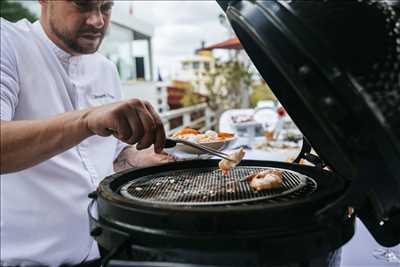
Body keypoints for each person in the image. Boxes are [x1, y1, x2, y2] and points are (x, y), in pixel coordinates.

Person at [0, 0, 175, 266]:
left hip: (104, 253)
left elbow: (115, 158)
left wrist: (151, 159)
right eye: (82, 5)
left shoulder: (105, 68)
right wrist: (86, 120)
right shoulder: (8, 43)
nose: (98, 21)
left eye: (106, 7)